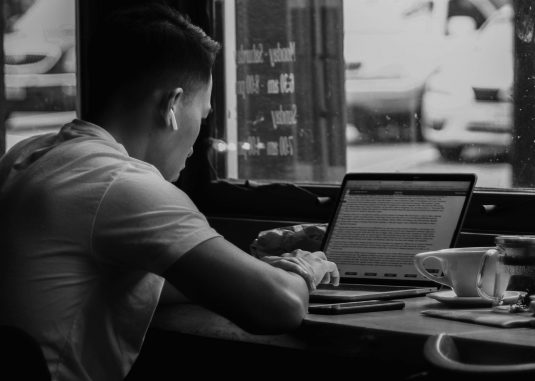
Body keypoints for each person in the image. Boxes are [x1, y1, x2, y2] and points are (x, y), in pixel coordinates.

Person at [0, 4, 339, 381]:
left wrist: (250, 269)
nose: (200, 136)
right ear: (172, 105)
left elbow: (136, 283)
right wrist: (305, 267)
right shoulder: (124, 184)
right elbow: (282, 307)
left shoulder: (28, 155)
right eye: (204, 114)